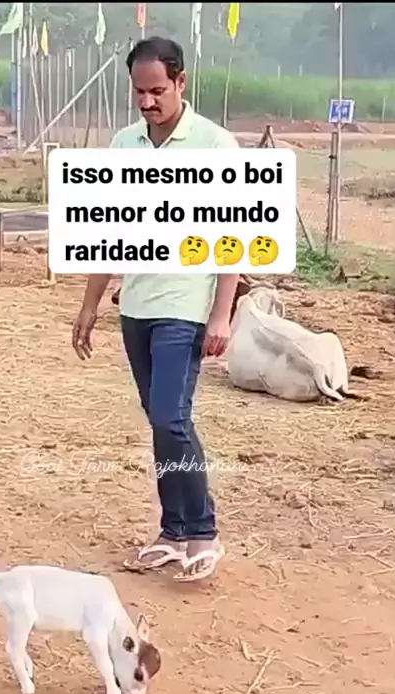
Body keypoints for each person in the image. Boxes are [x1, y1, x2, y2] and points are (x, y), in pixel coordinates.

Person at [72, 36, 240, 582]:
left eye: (158, 91)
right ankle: (173, 531)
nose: (148, 101)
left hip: (186, 306)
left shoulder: (215, 146)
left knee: (171, 417)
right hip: (137, 306)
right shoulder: (124, 146)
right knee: (160, 421)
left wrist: (221, 314)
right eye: (139, 92)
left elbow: (232, 237)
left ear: (181, 82)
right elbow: (108, 230)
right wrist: (90, 305)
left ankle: (203, 530)